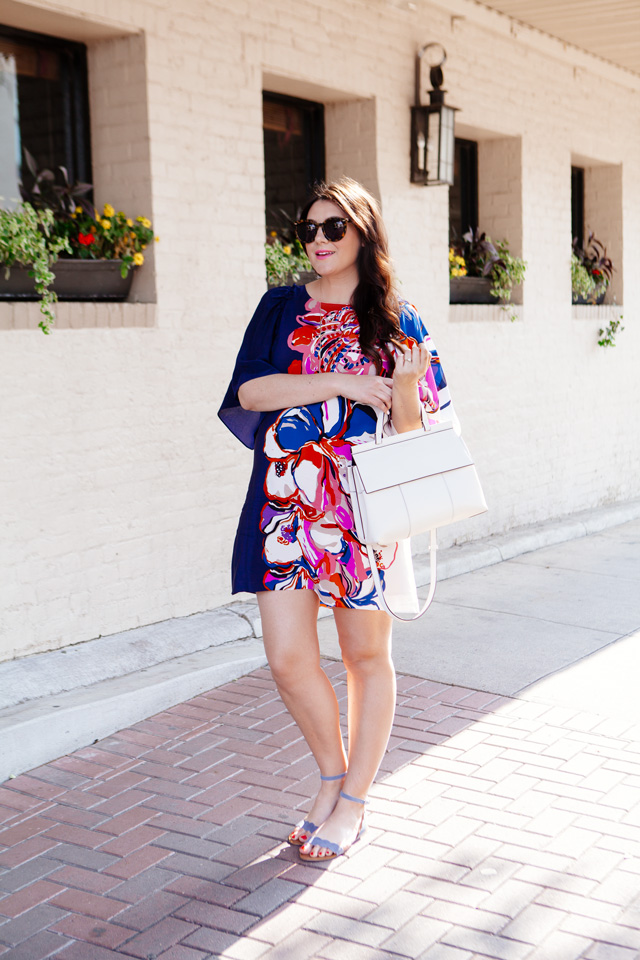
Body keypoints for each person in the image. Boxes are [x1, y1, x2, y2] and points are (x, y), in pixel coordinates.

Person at [218, 177, 452, 861]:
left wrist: (404, 387)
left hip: (364, 514)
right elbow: (251, 391)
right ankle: (330, 776)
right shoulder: (280, 308)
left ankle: (351, 801)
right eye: (308, 229)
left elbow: (417, 434)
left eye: (332, 229)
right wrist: (344, 381)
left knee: (364, 657)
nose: (317, 241)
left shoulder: (399, 319)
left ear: (363, 234)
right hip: (286, 504)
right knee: (289, 660)